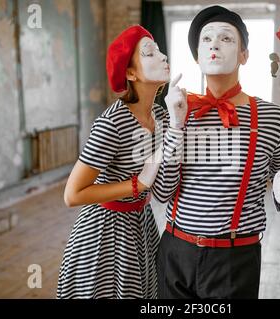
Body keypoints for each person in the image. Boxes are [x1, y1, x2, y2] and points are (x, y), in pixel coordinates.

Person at [152, 6, 280, 299]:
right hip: (175, 253)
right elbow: (162, 192)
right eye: (206, 40)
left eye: (226, 39)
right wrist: (177, 127)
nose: (214, 44)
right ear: (197, 57)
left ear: (244, 55)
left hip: (235, 259)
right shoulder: (176, 112)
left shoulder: (271, 117)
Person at [57, 25, 170, 299]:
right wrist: (138, 184)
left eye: (159, 50)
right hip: (103, 232)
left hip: (141, 223)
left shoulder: (162, 116)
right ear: (130, 73)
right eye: (150, 53)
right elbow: (72, 194)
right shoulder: (112, 124)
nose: (163, 56)